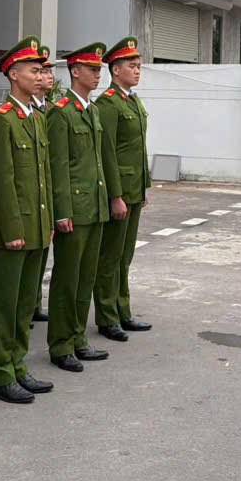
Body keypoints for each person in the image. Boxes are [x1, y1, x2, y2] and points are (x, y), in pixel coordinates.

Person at [0, 36, 54, 404]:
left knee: (26, 302)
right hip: (14, 230)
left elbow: (42, 177)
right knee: (4, 302)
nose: (40, 75)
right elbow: (1, 181)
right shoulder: (2, 121)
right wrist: (11, 230)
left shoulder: (36, 118)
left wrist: (49, 221)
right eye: (34, 70)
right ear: (12, 74)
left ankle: (18, 364)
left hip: (37, 226)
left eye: (42, 70)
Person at [46, 43, 121, 371]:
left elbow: (100, 162)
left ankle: (78, 338)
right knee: (67, 279)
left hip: (94, 208)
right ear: (75, 72)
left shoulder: (91, 111)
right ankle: (61, 344)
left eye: (99, 69)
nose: (98, 74)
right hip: (74, 209)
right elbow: (58, 166)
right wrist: (61, 210)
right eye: (92, 69)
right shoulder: (61, 112)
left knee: (85, 278)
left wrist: (108, 198)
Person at [93, 37, 150, 341]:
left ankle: (122, 309)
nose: (137, 70)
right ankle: (107, 315)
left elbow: (137, 149)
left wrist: (143, 187)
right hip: (120, 193)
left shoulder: (133, 100)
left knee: (125, 256)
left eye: (139, 66)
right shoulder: (108, 104)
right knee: (110, 256)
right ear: (116, 70)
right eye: (132, 66)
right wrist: (115, 195)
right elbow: (108, 153)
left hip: (135, 189)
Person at [30, 46, 54, 324]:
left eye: (46, 71)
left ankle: (34, 301)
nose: (46, 77)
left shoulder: (46, 108)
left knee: (41, 253)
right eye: (39, 71)